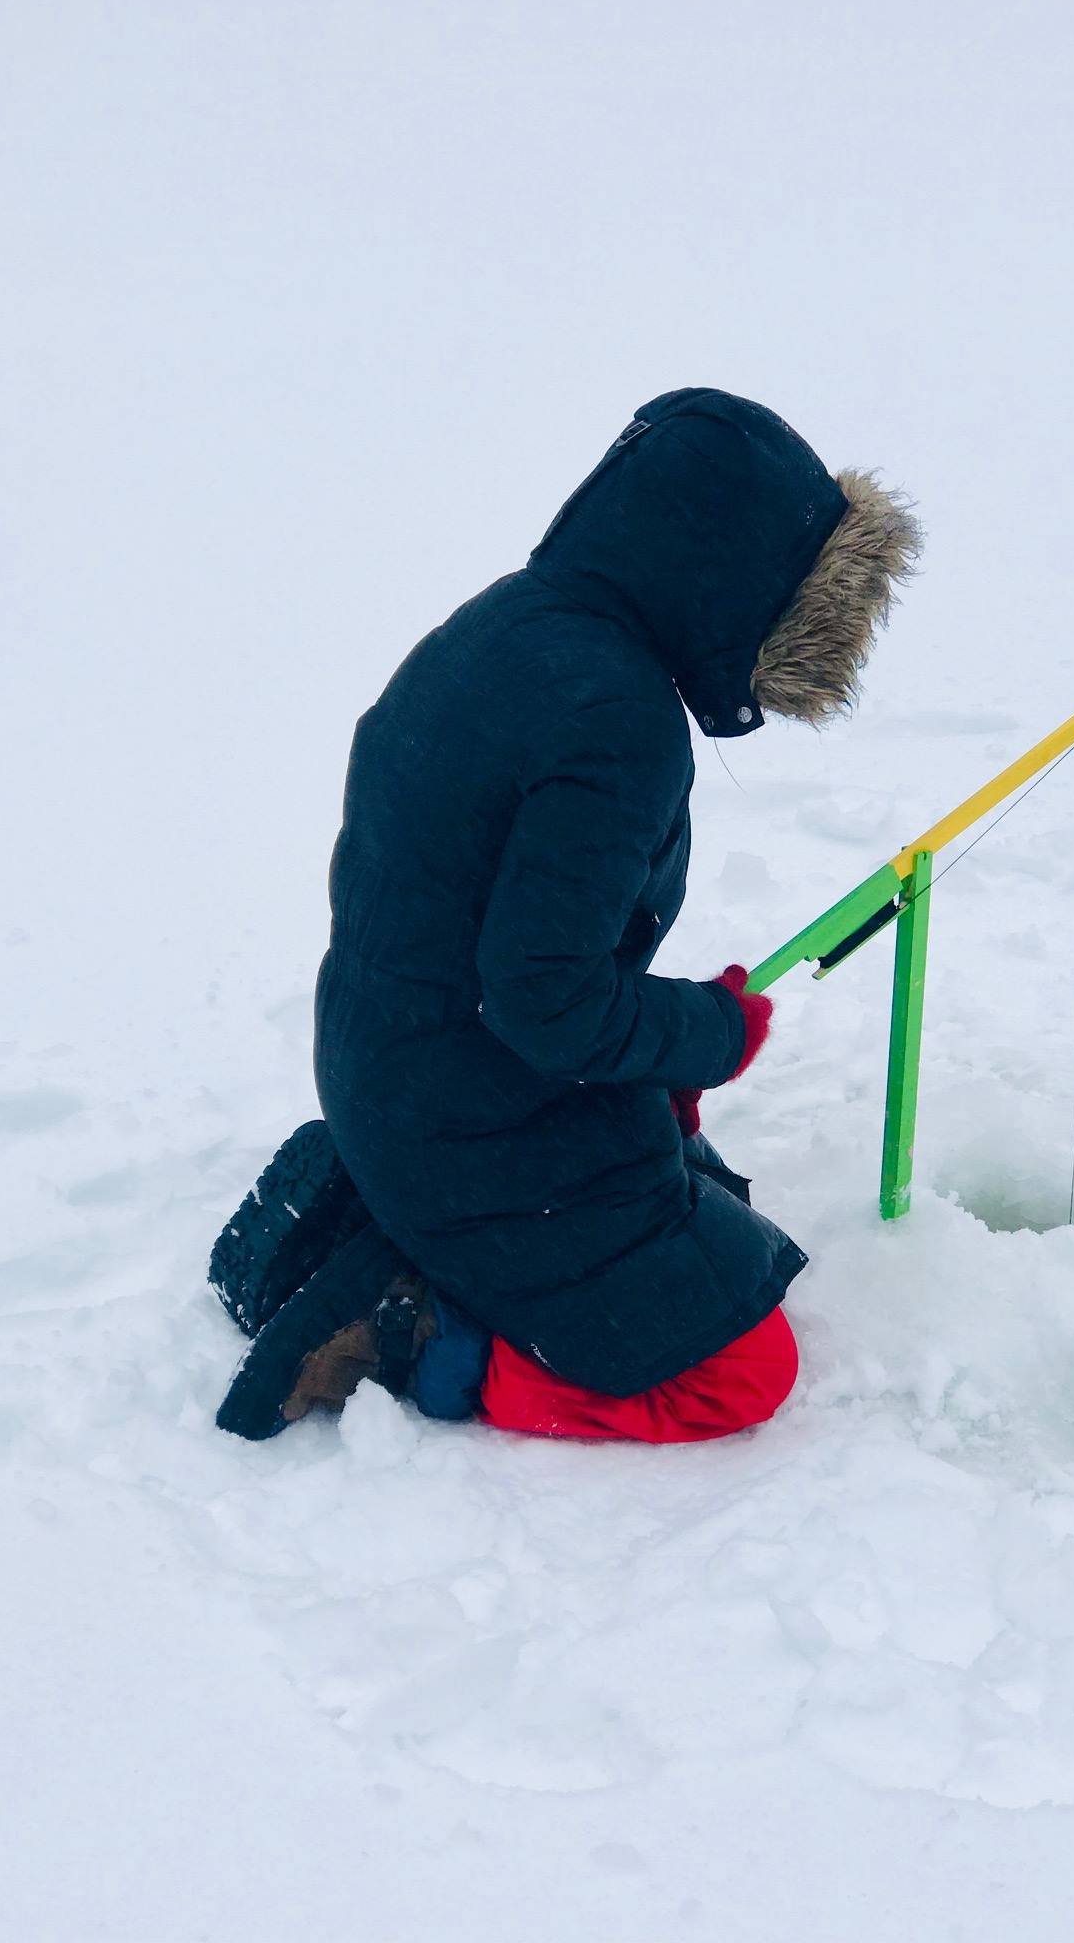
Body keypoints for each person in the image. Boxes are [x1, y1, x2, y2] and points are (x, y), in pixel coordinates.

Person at [212, 388, 919, 1444]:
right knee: (740, 1369)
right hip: (466, 1116)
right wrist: (709, 1032)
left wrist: (661, 1049)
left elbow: (490, 933)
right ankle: (421, 1330)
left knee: (706, 1199)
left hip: (390, 1068)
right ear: (732, 580)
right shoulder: (618, 722)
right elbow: (546, 1002)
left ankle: (412, 1223)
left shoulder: (506, 623)